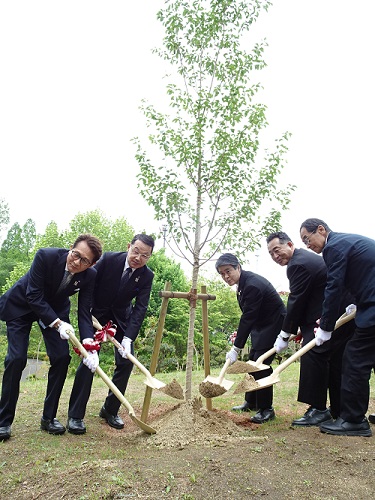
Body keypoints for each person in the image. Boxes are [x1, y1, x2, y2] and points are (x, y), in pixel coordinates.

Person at [0, 234, 103, 441]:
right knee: (17, 358)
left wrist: (89, 344)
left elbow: (84, 311)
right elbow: (34, 296)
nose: (77, 262)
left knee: (62, 358)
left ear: (91, 264)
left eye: (85, 261)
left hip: (55, 311)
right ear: (70, 248)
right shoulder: (45, 256)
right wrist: (57, 324)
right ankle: (3, 422)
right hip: (22, 306)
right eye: (76, 255)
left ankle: (48, 418)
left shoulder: (90, 276)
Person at [67, 233, 155, 434]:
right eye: (136, 251)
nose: (138, 258)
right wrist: (87, 317)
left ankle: (110, 410)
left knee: (126, 361)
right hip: (95, 313)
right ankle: (75, 415)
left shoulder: (147, 276)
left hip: (121, 318)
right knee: (89, 359)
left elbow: (140, 308)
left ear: (149, 257)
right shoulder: (107, 260)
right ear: (128, 246)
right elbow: (88, 286)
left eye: (145, 255)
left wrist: (128, 338)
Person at [266, 231, 355, 427]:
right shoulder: (302, 260)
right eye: (271, 253)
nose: (275, 256)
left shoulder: (298, 264)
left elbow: (296, 301)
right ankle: (337, 408)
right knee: (333, 360)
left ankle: (318, 409)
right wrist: (299, 329)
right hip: (336, 313)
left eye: (277, 250)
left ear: (289, 244)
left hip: (329, 315)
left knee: (313, 356)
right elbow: (307, 297)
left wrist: (284, 333)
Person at [299, 218, 375, 437]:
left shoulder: (333, 247)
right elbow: (360, 277)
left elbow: (334, 285)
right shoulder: (347, 243)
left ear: (321, 230)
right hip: (367, 302)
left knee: (354, 359)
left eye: (307, 238)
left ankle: (353, 421)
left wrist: (326, 326)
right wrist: (355, 304)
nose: (307, 245)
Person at [216, 253, 286, 424]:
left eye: (228, 271)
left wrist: (236, 347)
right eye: (222, 274)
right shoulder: (243, 284)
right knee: (252, 360)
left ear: (238, 267)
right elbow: (249, 316)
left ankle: (266, 409)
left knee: (261, 365)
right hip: (261, 325)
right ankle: (252, 401)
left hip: (273, 324)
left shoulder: (252, 285)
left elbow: (248, 318)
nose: (226, 276)